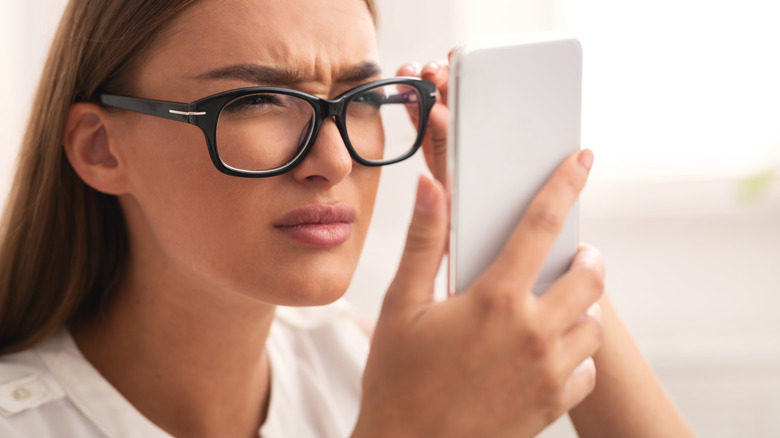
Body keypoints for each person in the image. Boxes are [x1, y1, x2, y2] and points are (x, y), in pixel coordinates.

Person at [0, 0, 694, 437]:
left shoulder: (365, 364)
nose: (331, 161)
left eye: (358, 96)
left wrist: (535, 249)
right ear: (101, 147)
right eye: (257, 101)